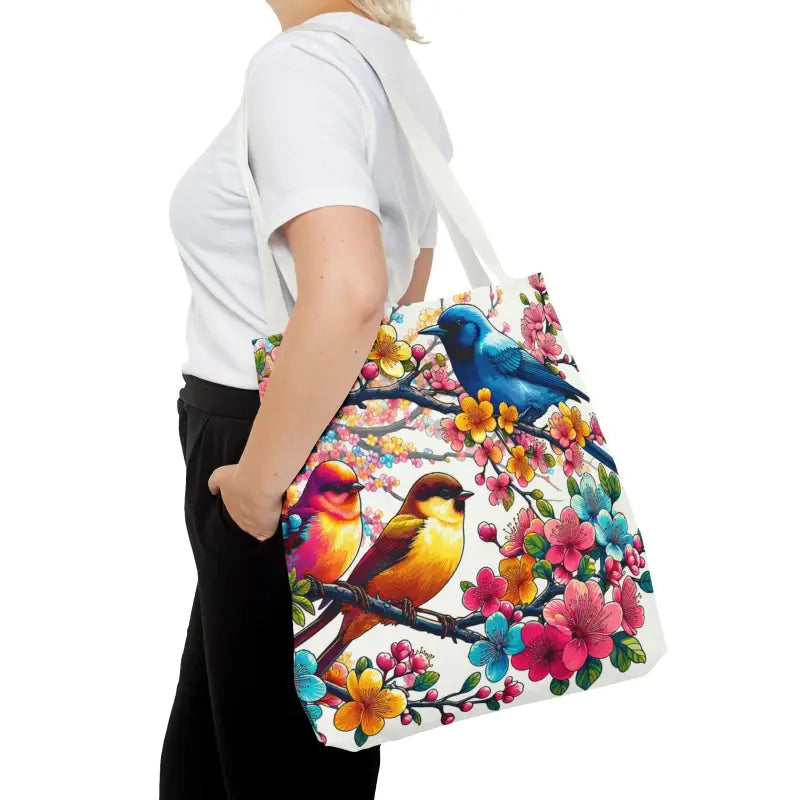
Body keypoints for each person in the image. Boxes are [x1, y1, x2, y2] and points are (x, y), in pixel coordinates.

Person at [160, 2, 452, 797]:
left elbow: (355, 293)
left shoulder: (301, 68)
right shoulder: (386, 65)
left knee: (269, 766)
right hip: (317, 434)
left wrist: (257, 487)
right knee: (231, 756)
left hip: (271, 448)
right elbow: (405, 295)